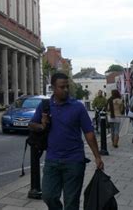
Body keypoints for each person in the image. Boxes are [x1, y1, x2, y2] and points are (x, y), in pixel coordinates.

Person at [30, 72, 103, 210]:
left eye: (67, 86)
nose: (65, 90)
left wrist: (97, 157)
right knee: (48, 195)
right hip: (52, 160)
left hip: (74, 161)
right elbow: (32, 124)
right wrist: (42, 125)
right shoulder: (45, 106)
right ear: (53, 88)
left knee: (71, 202)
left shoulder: (78, 107)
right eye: (61, 87)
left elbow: (89, 133)